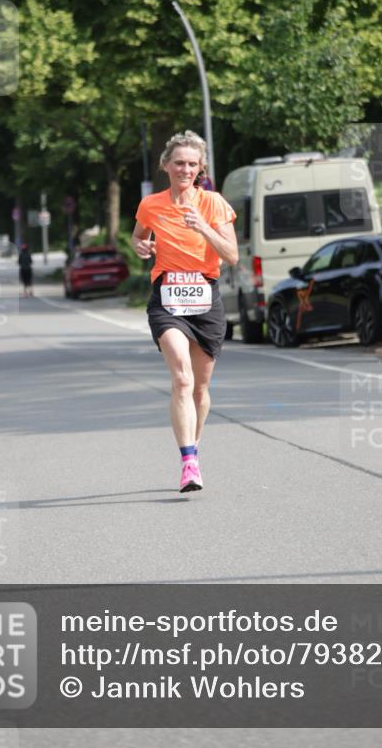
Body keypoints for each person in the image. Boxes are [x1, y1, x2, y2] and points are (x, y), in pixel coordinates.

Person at [131, 130, 238, 493]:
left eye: (192, 164)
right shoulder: (151, 204)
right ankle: (188, 460)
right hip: (168, 298)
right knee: (182, 377)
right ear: (166, 166)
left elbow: (232, 255)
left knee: (201, 388)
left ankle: (193, 447)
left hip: (205, 298)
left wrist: (204, 227)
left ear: (201, 168)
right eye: (179, 163)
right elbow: (137, 236)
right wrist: (140, 247)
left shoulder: (214, 203)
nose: (185, 169)